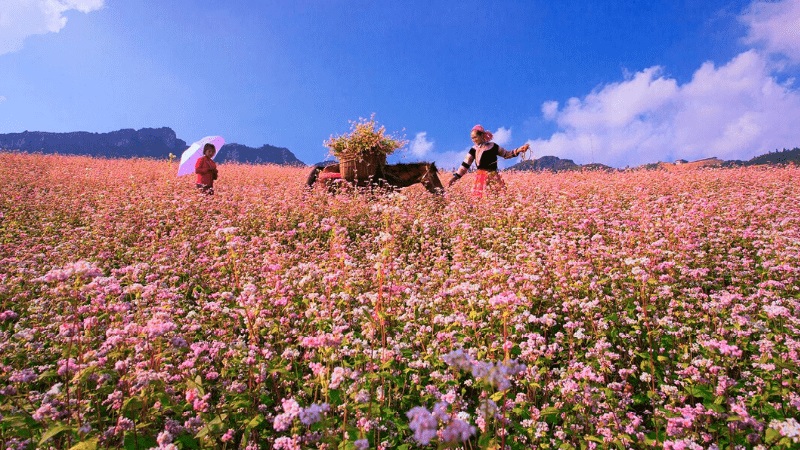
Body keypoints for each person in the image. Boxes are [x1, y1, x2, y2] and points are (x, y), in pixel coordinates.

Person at [448, 125, 529, 197]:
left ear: (482, 135)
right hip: (481, 178)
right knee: (480, 202)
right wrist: (455, 178)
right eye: (472, 138)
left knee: (498, 199)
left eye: (475, 137)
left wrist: (519, 150)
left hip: (494, 176)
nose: (473, 140)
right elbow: (465, 165)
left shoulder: (493, 146)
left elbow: (506, 154)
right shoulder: (474, 149)